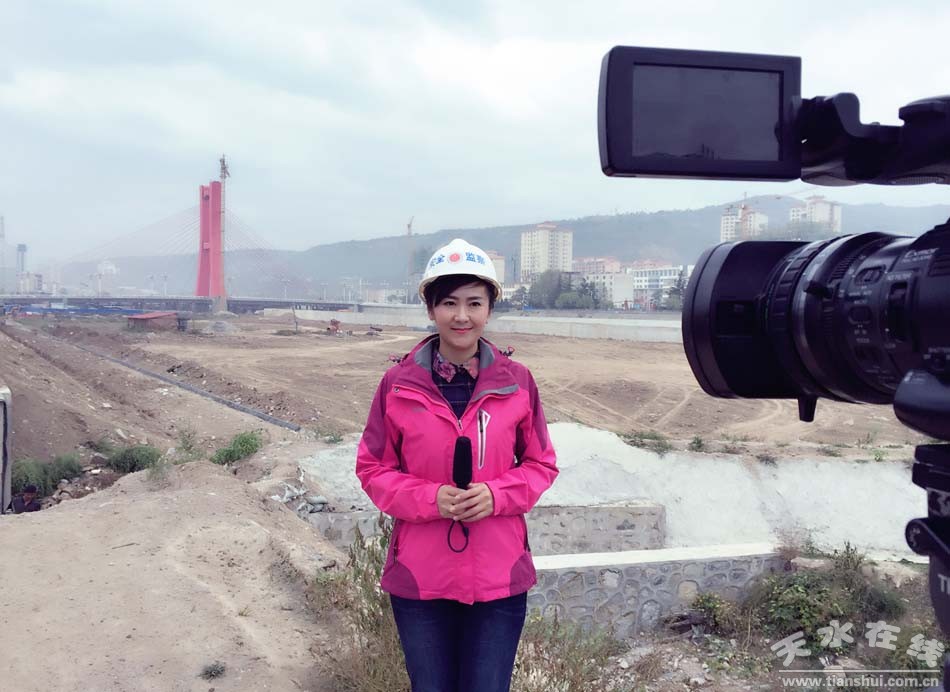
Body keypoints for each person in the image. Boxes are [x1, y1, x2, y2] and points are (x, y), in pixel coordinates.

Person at [356, 238, 558, 692]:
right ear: (431, 309)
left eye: (474, 303)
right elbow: (372, 468)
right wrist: (431, 499)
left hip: (498, 579)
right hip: (421, 579)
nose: (461, 316)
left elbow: (541, 464)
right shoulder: (397, 385)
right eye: (449, 303)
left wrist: (496, 495)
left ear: (490, 309)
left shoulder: (518, 382)